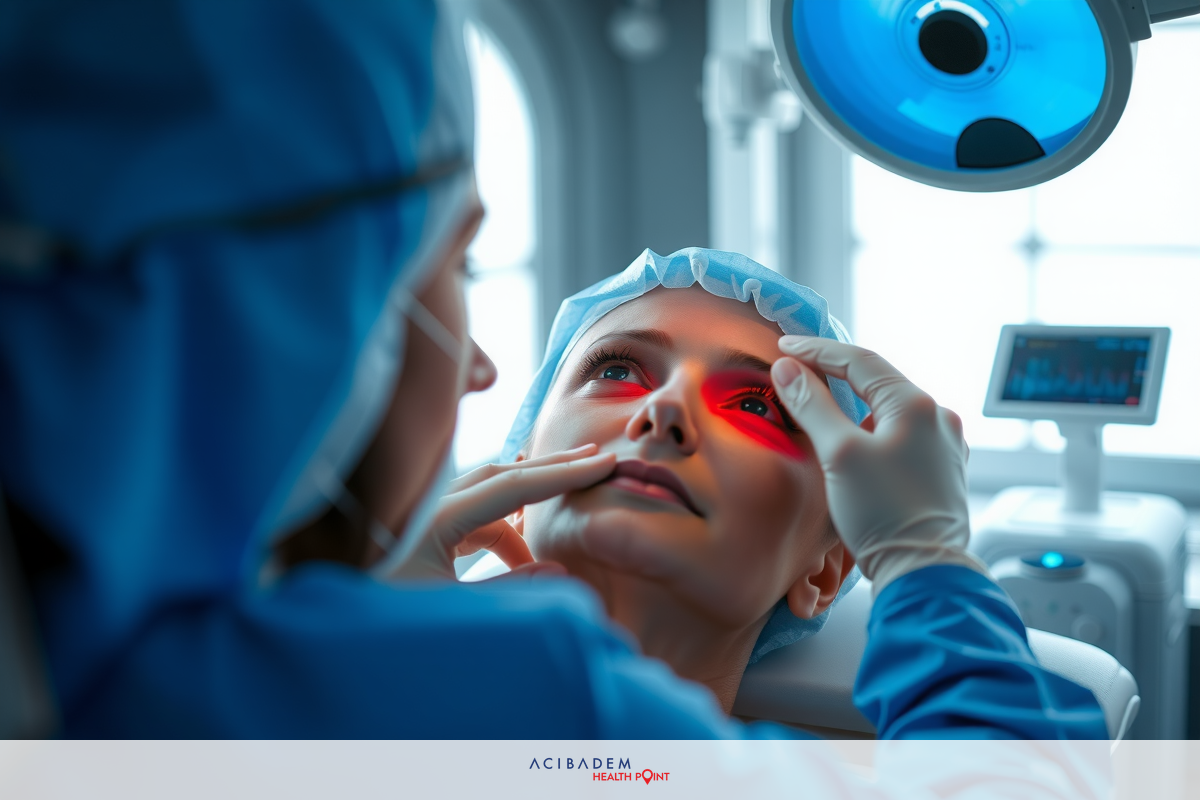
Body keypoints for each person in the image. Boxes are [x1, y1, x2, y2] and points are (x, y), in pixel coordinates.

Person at [0, 0, 1107, 771]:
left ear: (827, 568)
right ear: (521, 484)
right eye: (615, 368)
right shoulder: (507, 696)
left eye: (758, 403)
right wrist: (928, 556)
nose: (661, 410)